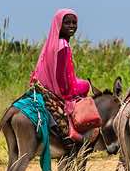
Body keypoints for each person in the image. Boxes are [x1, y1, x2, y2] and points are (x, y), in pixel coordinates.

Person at [30, 9, 90, 141]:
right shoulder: (63, 45)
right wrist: (67, 97)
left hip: (44, 85)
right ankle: (76, 130)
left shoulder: (51, 42)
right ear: (58, 25)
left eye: (74, 22)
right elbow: (60, 75)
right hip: (58, 89)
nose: (72, 26)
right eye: (67, 23)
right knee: (86, 85)